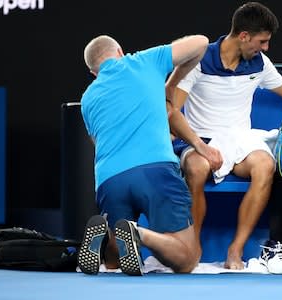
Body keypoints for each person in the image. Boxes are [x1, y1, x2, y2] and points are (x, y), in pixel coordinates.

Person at [169, 2, 282, 271]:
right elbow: (173, 107)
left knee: (265, 165)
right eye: (262, 41)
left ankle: (236, 249)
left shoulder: (259, 63)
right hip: (200, 139)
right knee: (197, 169)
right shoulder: (199, 61)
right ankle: (192, 246)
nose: (266, 48)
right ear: (243, 36)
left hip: (240, 139)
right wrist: (194, 143)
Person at [77, 34, 221, 275]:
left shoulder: (87, 99)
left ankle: (107, 240)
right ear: (120, 51)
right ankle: (138, 233)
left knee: (116, 265)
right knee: (187, 259)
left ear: (94, 73)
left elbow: (97, 142)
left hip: (109, 180)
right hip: (155, 171)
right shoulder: (145, 61)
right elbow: (201, 43)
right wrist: (172, 83)